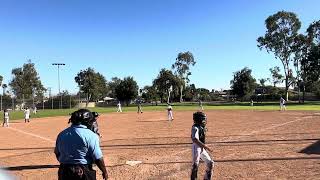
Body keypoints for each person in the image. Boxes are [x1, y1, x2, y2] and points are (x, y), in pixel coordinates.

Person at [55, 109, 108, 180]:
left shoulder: (62, 134)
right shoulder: (91, 135)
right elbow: (98, 158)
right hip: (83, 171)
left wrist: (67, 162)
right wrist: (104, 171)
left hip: (64, 171)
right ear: (86, 121)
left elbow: (57, 153)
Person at [191, 111, 214, 180]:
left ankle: (206, 178)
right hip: (196, 148)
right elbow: (195, 139)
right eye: (203, 119)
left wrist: (203, 147)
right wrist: (205, 146)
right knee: (195, 166)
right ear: (199, 120)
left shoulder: (201, 127)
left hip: (201, 148)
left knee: (210, 163)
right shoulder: (195, 128)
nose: (204, 121)